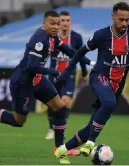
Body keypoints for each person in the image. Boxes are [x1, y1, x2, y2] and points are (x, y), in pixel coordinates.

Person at [0, 10, 92, 164]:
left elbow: (69, 50)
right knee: (19, 121)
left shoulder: (52, 37)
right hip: (22, 83)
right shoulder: (40, 39)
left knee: (60, 108)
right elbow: (32, 66)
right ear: (43, 23)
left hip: (38, 80)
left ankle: (59, 149)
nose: (56, 26)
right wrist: (52, 71)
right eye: (52, 23)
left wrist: (90, 62)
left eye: (57, 24)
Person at [54, 2, 129, 164]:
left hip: (117, 86)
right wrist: (67, 72)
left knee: (90, 126)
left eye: (127, 20)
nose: (124, 23)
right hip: (99, 77)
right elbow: (80, 52)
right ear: (113, 17)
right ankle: (91, 143)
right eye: (121, 20)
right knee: (109, 102)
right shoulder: (101, 35)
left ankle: (62, 150)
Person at [45, 10, 88, 142]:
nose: (65, 23)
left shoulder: (76, 37)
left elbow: (80, 55)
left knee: (65, 101)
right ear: (58, 22)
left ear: (70, 22)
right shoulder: (51, 36)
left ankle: (60, 129)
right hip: (53, 75)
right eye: (62, 20)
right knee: (52, 104)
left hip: (69, 76)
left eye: (67, 20)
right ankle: (51, 128)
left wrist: (85, 73)